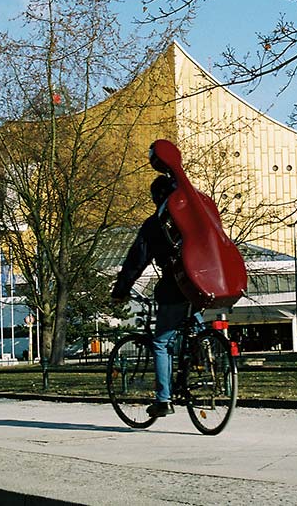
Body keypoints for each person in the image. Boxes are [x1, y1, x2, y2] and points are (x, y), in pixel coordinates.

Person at [111, 174, 191, 417]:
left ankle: (163, 399)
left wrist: (121, 290)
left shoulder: (155, 224)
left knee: (160, 342)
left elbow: (137, 260)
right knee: (191, 327)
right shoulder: (194, 216)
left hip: (177, 284)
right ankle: (202, 355)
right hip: (207, 282)